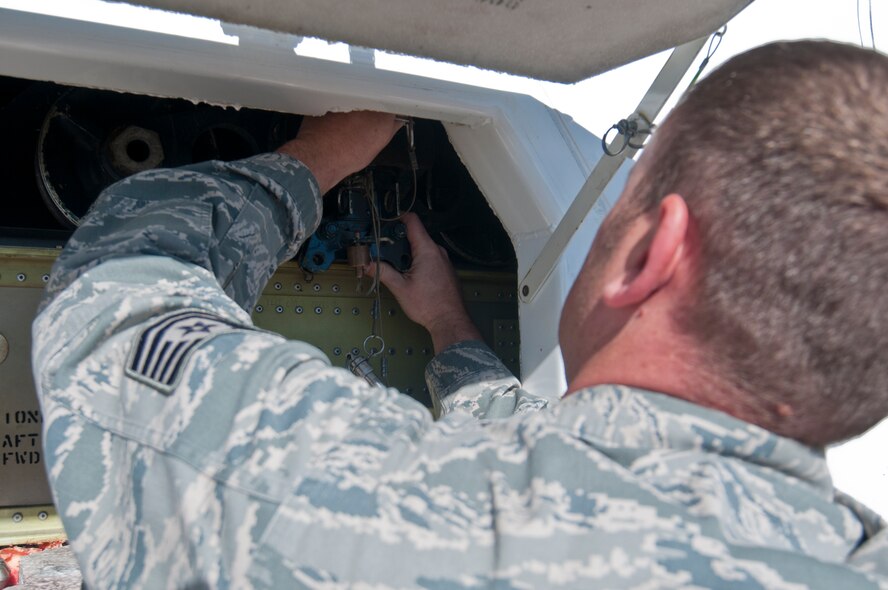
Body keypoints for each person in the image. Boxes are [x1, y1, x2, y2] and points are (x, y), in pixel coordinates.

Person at [33, 40, 888, 589]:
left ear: (652, 253)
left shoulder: (383, 521)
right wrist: (452, 332)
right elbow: (571, 470)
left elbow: (111, 305)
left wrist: (315, 159)